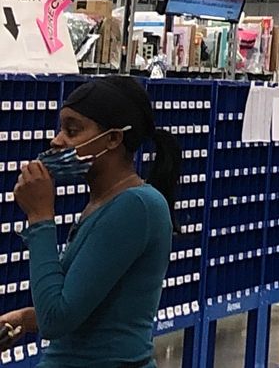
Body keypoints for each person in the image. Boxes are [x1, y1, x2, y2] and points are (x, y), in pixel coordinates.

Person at [3, 75, 179, 367]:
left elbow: (57, 319)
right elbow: (93, 310)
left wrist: (40, 217)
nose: (57, 140)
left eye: (72, 130)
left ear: (113, 138)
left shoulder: (135, 207)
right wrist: (24, 318)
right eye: (61, 128)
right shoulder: (105, 202)